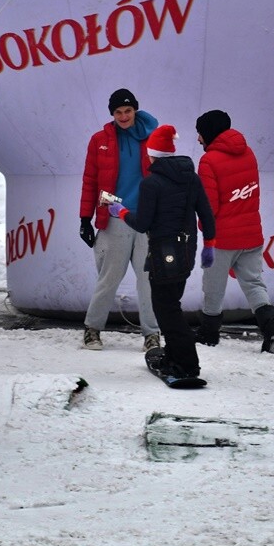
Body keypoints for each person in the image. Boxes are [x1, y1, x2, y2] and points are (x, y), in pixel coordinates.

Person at [108, 124, 215, 380]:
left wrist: (120, 212)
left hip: (163, 253)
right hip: (187, 249)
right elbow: (207, 214)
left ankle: (187, 364)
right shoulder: (191, 177)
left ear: (152, 153)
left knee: (166, 310)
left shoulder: (152, 183)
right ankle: (174, 355)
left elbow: (143, 223)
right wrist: (209, 245)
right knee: (172, 304)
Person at [194, 110, 274, 354]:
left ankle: (209, 334)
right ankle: (272, 332)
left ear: (209, 132)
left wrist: (204, 229)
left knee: (213, 287)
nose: (199, 139)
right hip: (251, 235)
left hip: (222, 239)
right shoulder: (249, 152)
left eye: (200, 133)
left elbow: (209, 207)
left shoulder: (209, 161)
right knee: (254, 284)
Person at [79, 88, 161, 351]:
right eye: (118, 112)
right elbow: (90, 180)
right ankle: (92, 329)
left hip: (147, 219)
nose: (124, 116)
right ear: (112, 114)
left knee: (148, 278)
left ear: (135, 110)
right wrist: (84, 218)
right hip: (115, 216)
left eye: (128, 111)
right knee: (109, 276)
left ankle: (152, 333)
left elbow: (167, 179)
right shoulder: (99, 140)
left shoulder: (155, 138)